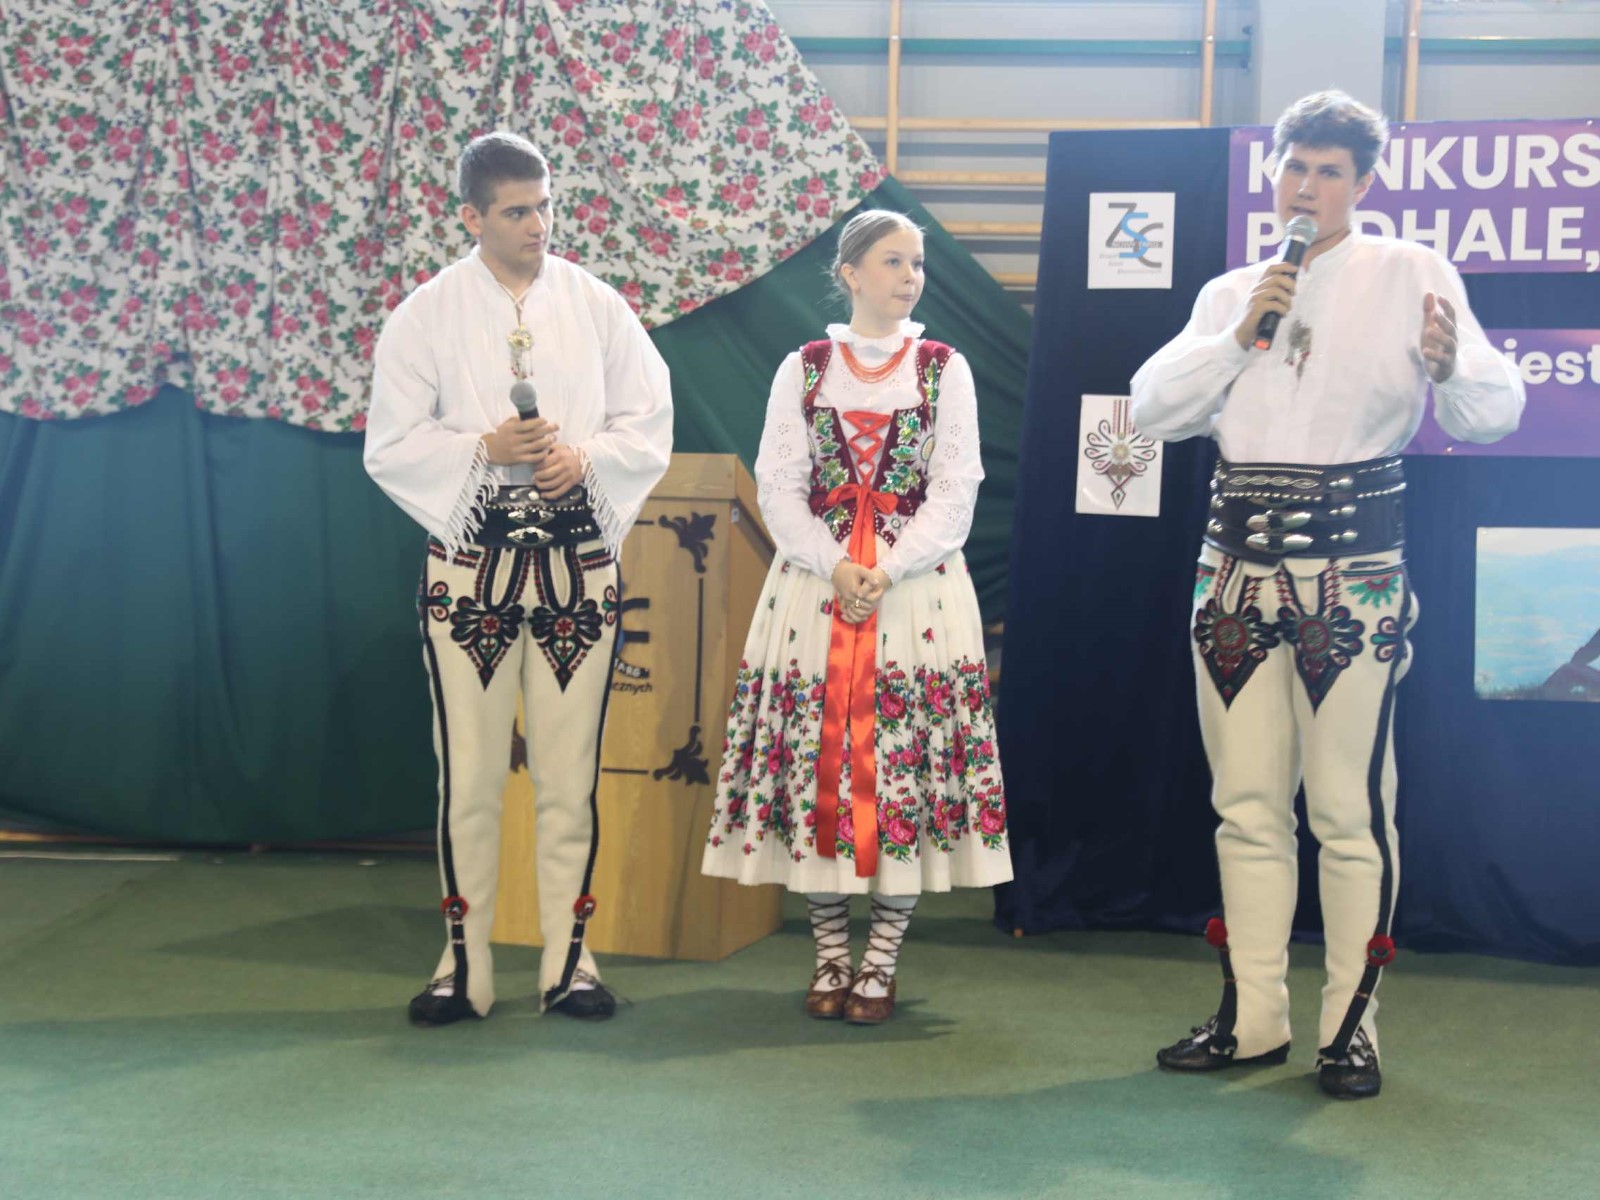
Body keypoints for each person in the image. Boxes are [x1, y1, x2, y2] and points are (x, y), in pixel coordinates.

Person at [1130, 91, 1524, 1098]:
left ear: (1363, 182)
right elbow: (1153, 410)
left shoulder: (1410, 273)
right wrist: (1238, 337)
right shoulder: (1232, 292)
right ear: (1274, 175)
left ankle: (1352, 1028)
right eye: (1295, 168)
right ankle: (1252, 1018)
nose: (1307, 188)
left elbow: (1490, 412)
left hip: (1354, 573)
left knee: (1348, 810)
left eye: (1329, 171)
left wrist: (1452, 367)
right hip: (1231, 573)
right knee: (1245, 806)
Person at [364, 131, 673, 1026]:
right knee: (469, 780)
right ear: (472, 216)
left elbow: (648, 419)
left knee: (569, 780)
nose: (539, 224)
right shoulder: (425, 313)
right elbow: (390, 445)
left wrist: (586, 459)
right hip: (470, 576)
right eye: (516, 211)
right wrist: (484, 449)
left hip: (579, 571)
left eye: (545, 206)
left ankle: (570, 963)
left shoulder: (598, 304)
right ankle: (463, 966)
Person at [701, 210, 1012, 1024]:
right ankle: (831, 954)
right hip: (816, 586)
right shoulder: (803, 368)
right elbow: (778, 483)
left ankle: (880, 962)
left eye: (917, 263)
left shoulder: (945, 368)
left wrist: (885, 567)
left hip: (915, 594)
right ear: (851, 273)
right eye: (893, 261)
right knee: (820, 766)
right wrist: (833, 563)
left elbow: (956, 488)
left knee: (899, 767)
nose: (911, 277)